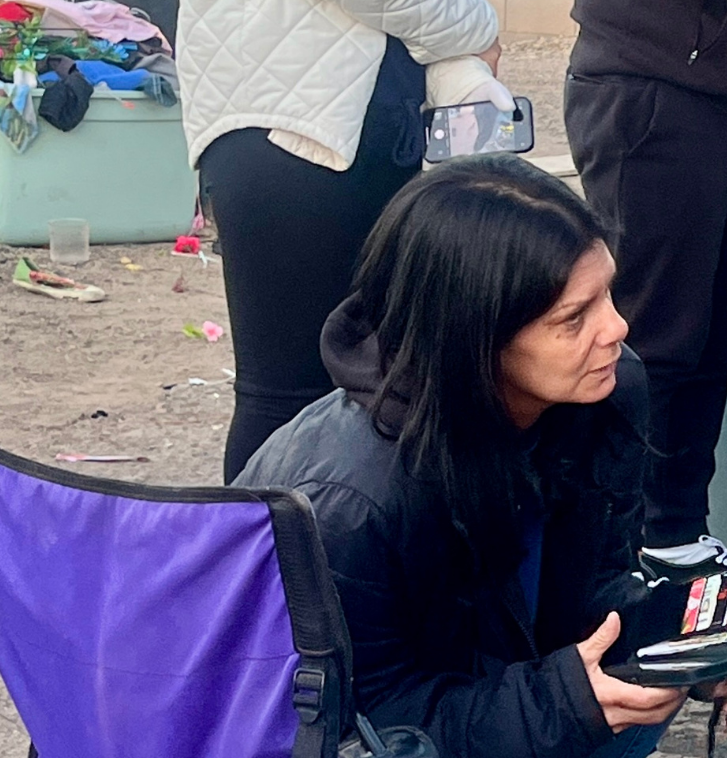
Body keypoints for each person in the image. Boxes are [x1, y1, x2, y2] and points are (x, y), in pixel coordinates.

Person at [236, 156, 727, 758]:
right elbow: (364, 732)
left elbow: (592, 591)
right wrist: (568, 702)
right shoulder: (348, 501)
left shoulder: (597, 395)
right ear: (476, 341)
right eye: (574, 318)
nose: (618, 327)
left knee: (643, 671)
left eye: (607, 295)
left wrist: (697, 640)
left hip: (472, 694)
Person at [180, 0, 515, 482]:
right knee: (293, 397)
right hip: (300, 133)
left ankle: (307, 549)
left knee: (359, 388)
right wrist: (473, 29)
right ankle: (262, 553)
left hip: (324, 124)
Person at [563, 0, 727, 611]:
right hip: (654, 82)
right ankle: (621, 553)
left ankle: (677, 539)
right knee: (648, 337)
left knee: (723, 333)